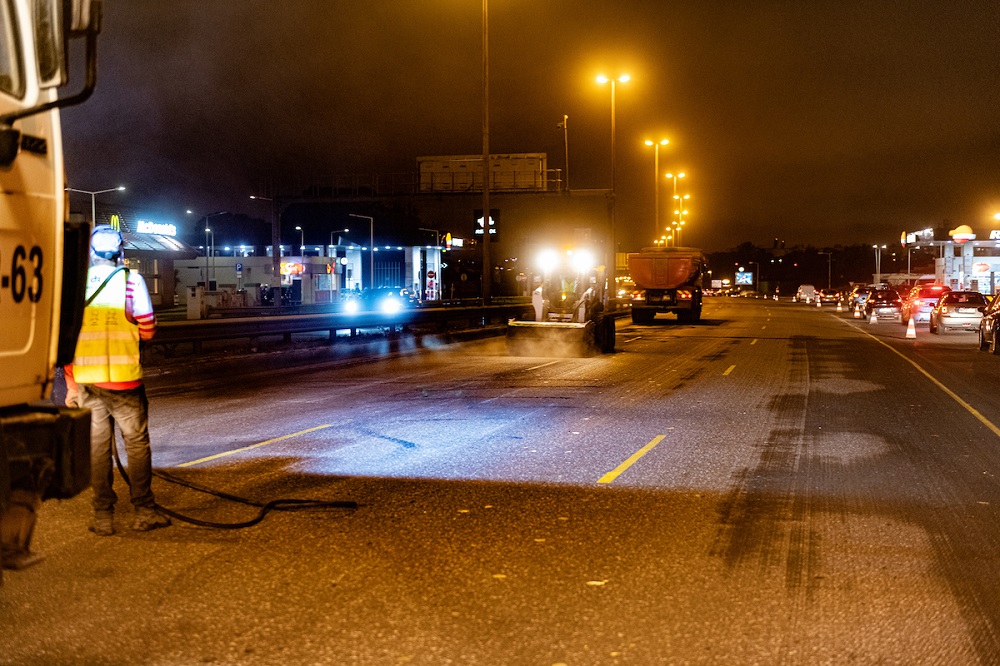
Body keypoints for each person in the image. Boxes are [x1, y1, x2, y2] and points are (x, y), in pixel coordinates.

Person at [69, 225, 170, 536]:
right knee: (136, 444)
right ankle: (144, 511)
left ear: (90, 252)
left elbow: (63, 336)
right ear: (120, 251)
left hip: (87, 380)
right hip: (124, 382)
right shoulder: (131, 281)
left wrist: (71, 385)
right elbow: (148, 328)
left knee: (97, 448)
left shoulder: (75, 285)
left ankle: (103, 516)